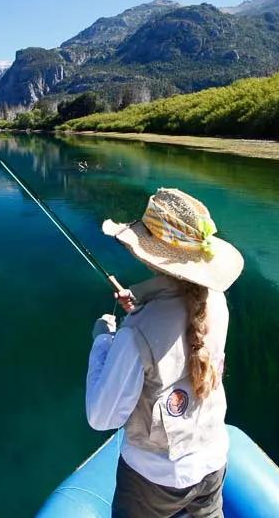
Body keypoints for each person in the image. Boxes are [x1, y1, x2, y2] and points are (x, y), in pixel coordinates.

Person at [86, 188, 244, 518]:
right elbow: (181, 323)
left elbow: (101, 417)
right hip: (213, 463)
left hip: (153, 482)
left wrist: (103, 338)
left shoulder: (135, 335)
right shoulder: (217, 301)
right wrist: (143, 302)